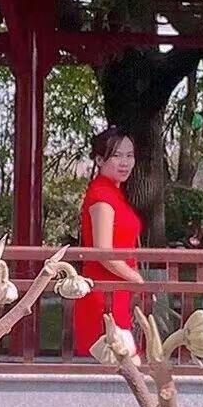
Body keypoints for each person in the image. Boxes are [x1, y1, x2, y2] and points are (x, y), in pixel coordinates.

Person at [73, 126, 144, 357]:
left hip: (118, 290)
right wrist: (137, 279)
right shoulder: (102, 196)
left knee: (123, 361)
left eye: (129, 155)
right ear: (100, 160)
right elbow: (104, 252)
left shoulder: (115, 193)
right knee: (112, 360)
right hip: (104, 294)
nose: (125, 162)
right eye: (117, 155)